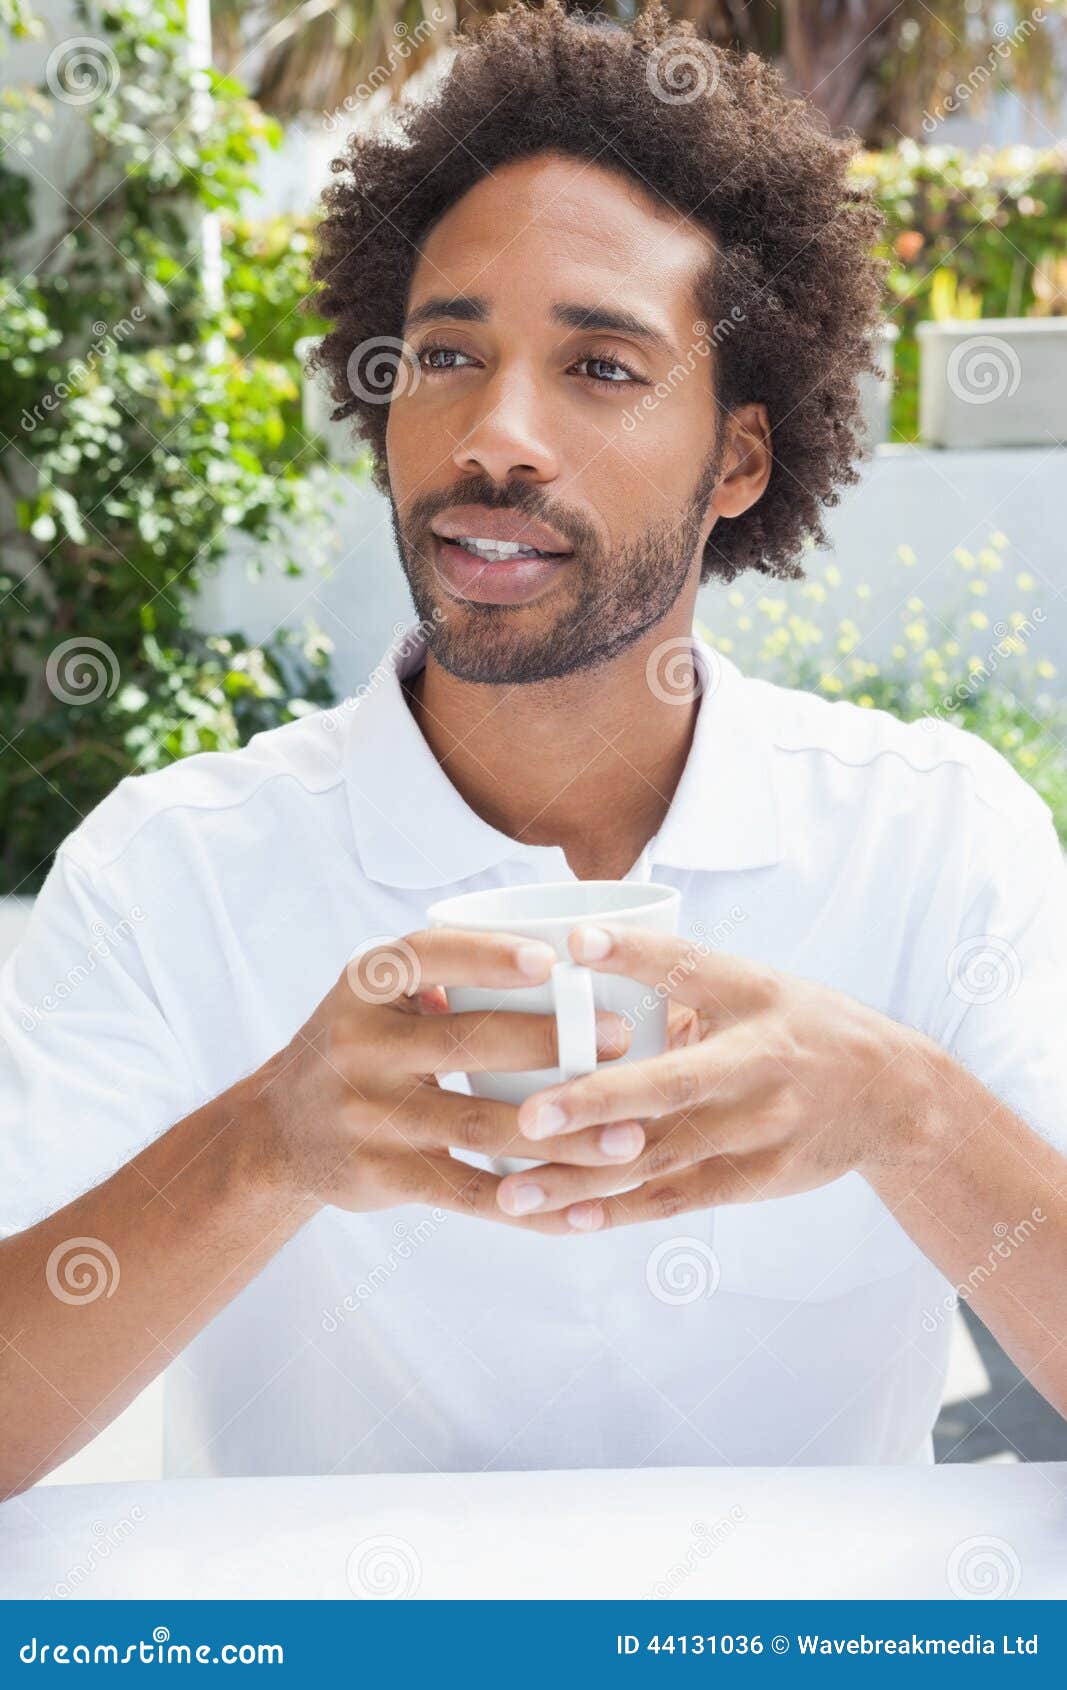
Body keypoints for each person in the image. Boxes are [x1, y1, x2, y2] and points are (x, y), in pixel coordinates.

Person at [1, 0, 1064, 1497]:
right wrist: (258, 1148)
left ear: (739, 457)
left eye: (603, 368)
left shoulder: (935, 841)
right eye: (446, 355)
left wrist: (911, 1115)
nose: (494, 436)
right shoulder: (167, 869)